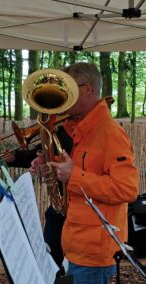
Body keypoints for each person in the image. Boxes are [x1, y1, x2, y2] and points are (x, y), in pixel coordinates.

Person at [30, 62, 139, 284]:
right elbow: (84, 168)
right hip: (76, 243)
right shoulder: (81, 129)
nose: (63, 97)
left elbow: (127, 190)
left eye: (68, 89)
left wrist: (73, 175)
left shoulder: (110, 133)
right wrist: (50, 166)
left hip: (94, 252)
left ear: (87, 89)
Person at [3, 122, 72, 275]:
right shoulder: (58, 130)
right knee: (50, 253)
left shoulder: (80, 129)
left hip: (78, 207)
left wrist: (51, 160)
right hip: (59, 205)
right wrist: (15, 157)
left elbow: (69, 154)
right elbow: (39, 151)